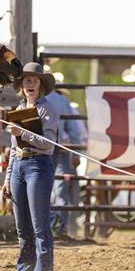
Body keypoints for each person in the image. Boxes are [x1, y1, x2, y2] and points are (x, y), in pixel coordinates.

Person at [2, 63, 59, 271]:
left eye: (34, 80)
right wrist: (7, 177)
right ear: (22, 85)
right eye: (27, 80)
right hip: (19, 166)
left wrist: (21, 132)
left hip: (38, 165)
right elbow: (13, 148)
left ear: (41, 85)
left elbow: (48, 144)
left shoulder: (48, 110)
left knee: (39, 226)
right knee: (22, 227)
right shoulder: (19, 109)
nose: (30, 84)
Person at [45, 68, 86, 238]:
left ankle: (47, 225)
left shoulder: (37, 99)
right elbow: (74, 130)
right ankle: (60, 228)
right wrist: (75, 152)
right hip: (60, 149)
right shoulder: (63, 101)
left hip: (39, 150)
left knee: (42, 187)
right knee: (61, 188)